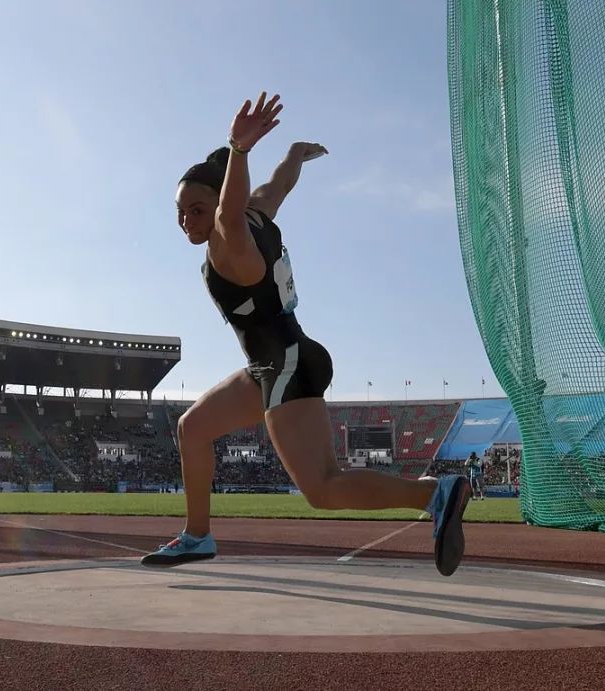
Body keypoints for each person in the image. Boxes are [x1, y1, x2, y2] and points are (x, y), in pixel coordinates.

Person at [141, 93, 471, 576]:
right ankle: (197, 536)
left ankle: (433, 493)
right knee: (192, 428)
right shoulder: (258, 214)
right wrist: (295, 153)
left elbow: (230, 213)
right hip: (269, 365)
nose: (184, 220)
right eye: (179, 212)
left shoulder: (232, 239)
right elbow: (277, 186)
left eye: (195, 209)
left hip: (287, 364)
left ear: (217, 203)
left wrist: (238, 148)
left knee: (321, 488)